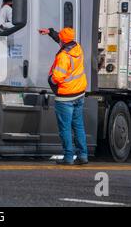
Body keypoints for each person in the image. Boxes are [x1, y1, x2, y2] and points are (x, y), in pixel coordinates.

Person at [39, 27, 89, 165]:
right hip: (79, 94)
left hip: (65, 96)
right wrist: (50, 32)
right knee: (78, 126)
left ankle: (68, 157)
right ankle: (83, 155)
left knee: (65, 128)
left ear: (63, 40)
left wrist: (50, 80)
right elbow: (62, 42)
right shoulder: (77, 48)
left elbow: (58, 77)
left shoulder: (63, 57)